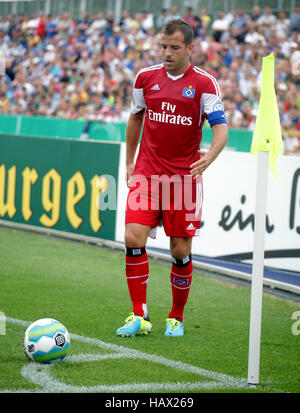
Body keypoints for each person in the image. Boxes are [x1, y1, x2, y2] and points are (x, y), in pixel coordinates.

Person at [116, 19, 228, 338]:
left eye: (174, 48)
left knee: (179, 249)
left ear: (190, 48)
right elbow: (135, 117)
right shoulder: (145, 78)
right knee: (132, 236)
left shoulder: (205, 84)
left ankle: (176, 316)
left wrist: (209, 156)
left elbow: (221, 128)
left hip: (184, 180)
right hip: (147, 175)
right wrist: (129, 162)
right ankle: (139, 314)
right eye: (163, 46)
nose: (167, 53)